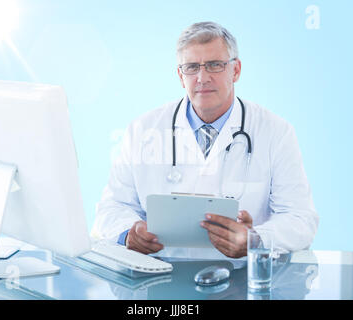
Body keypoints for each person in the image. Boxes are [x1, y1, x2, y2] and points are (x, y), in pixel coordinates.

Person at [91, 21, 318, 260]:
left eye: (215, 65)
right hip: (160, 277)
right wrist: (128, 233)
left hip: (243, 280)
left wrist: (257, 239)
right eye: (191, 67)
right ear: (180, 75)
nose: (202, 77)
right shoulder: (142, 130)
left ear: (236, 70)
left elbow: (300, 219)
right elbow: (111, 208)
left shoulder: (275, 132)